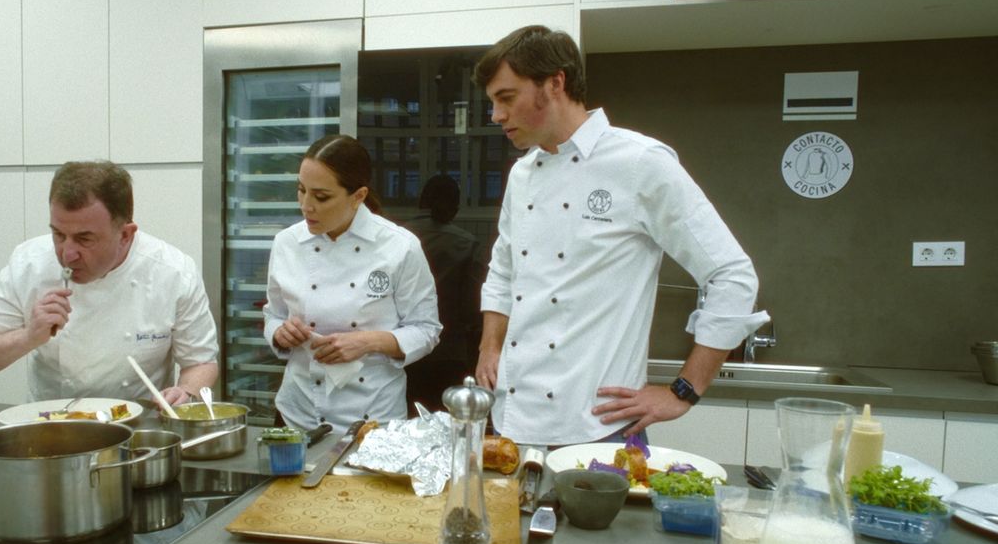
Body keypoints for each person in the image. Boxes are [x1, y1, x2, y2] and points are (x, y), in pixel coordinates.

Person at [472, 25, 769, 446]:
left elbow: (733, 276)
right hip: (511, 420)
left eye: (506, 98)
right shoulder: (522, 174)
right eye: (493, 103)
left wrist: (684, 390)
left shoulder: (639, 162)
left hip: (600, 428)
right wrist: (490, 347)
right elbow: (503, 270)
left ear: (555, 83)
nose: (496, 116)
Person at [0, 160, 218, 405]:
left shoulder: (173, 272)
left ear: (125, 235)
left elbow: (201, 362)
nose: (67, 253)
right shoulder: (30, 264)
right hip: (51, 430)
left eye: (84, 239)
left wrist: (186, 393)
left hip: (139, 433)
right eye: (58, 234)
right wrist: (28, 336)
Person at [263, 135, 442, 433]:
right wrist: (281, 333)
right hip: (297, 413)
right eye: (301, 190)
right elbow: (274, 315)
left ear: (358, 196)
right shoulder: (287, 243)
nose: (306, 206)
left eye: (321, 197)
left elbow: (427, 330)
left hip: (372, 417)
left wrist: (367, 342)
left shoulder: (399, 247)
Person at [403, 175, 485, 411]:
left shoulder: (398, 238)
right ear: (455, 207)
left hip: (405, 350)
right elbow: (473, 306)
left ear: (421, 202)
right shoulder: (467, 243)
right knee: (446, 428)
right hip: (450, 352)